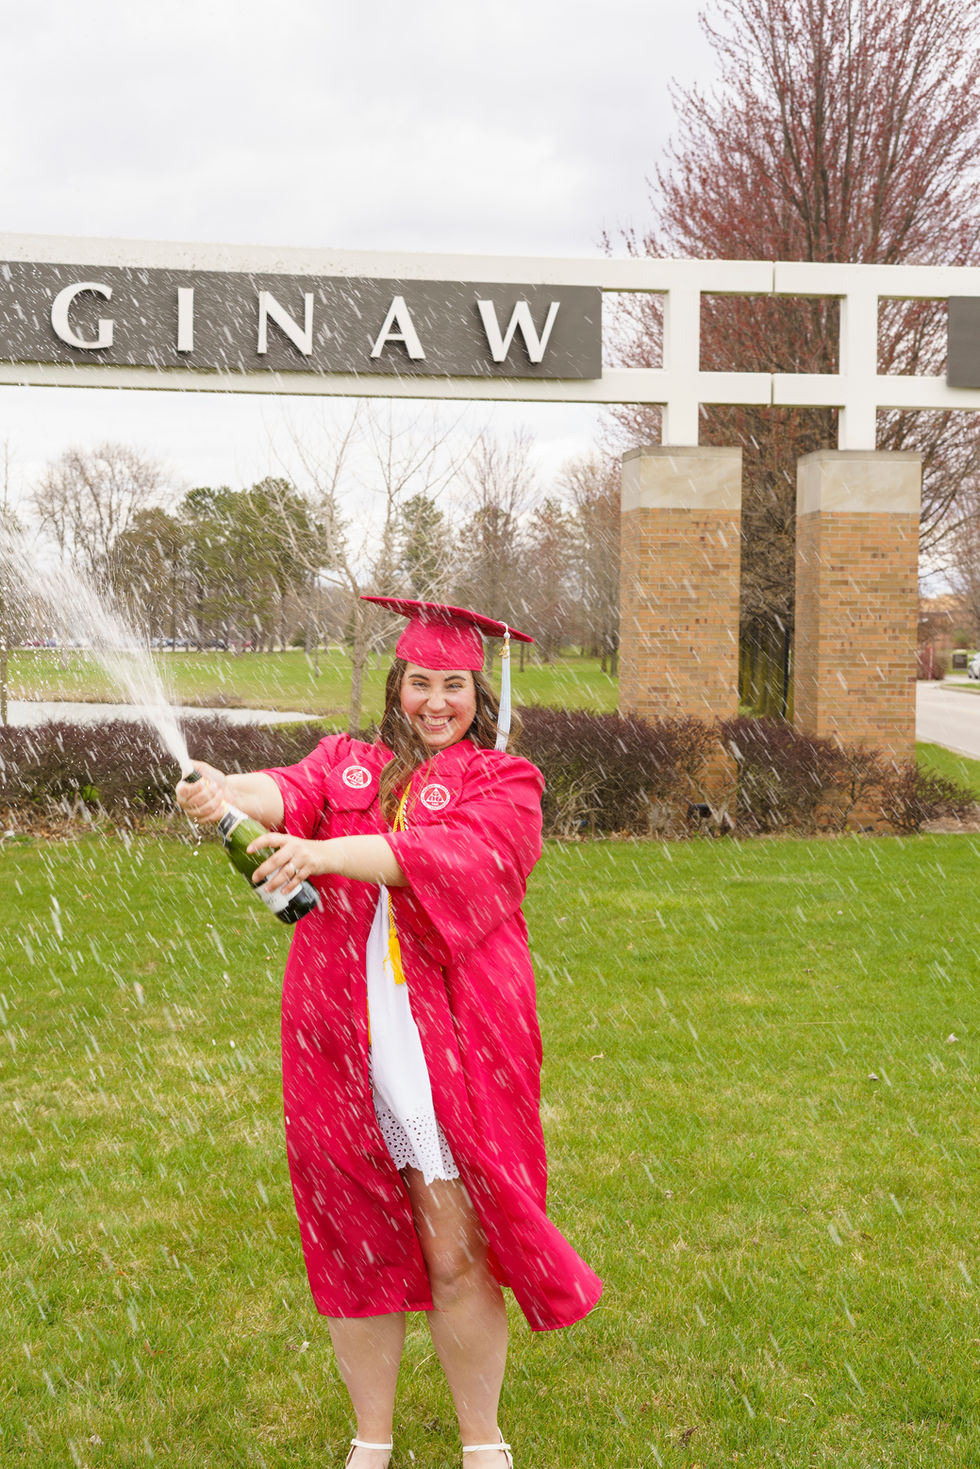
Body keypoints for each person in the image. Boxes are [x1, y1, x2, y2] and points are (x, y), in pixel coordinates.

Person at [175, 597, 602, 1469]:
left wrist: (324, 854)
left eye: (454, 685)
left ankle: (482, 1441)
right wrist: (223, 791)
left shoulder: (504, 782)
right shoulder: (348, 763)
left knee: (456, 1245)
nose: (435, 701)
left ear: (479, 693)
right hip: (340, 1035)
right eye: (420, 682)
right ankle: (370, 1438)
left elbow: (445, 858)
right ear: (395, 685)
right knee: (355, 1238)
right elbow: (284, 791)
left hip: (451, 1040)